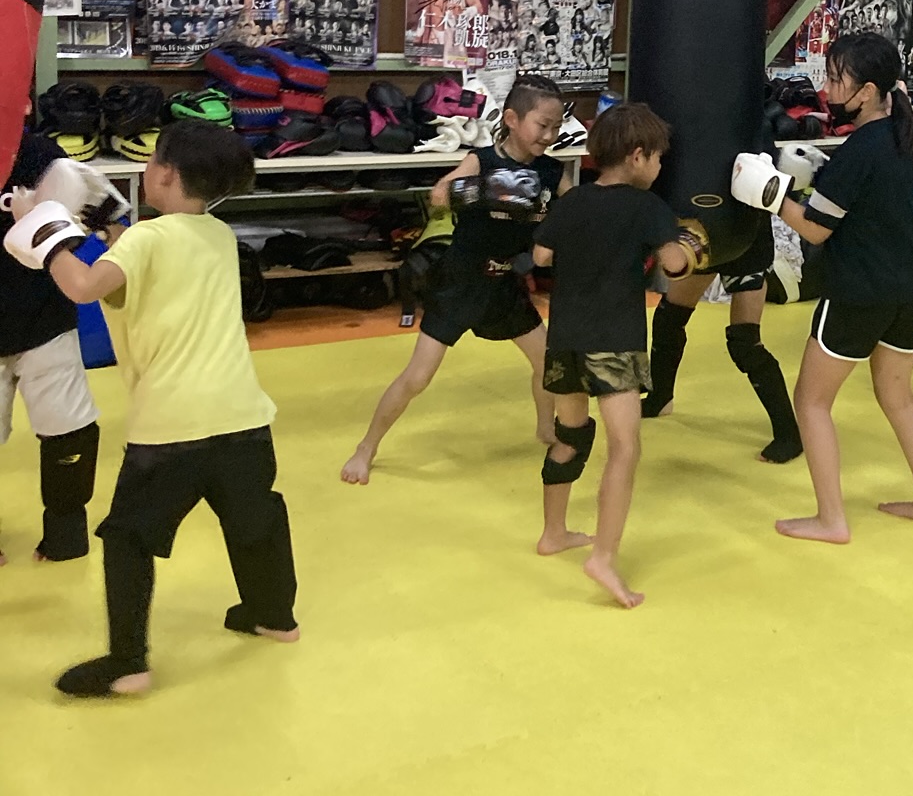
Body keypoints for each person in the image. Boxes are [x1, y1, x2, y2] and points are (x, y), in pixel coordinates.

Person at [5, 121, 299, 696]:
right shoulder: (216, 235)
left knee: (128, 538)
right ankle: (274, 616)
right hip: (243, 417)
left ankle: (128, 662)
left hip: (172, 426)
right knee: (255, 519)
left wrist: (41, 227)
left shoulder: (147, 241)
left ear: (163, 173)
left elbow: (85, 287)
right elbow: (139, 266)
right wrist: (107, 221)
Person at [738, 32, 913, 543]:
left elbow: (815, 230)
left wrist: (771, 195)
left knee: (811, 402)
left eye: (837, 80)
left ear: (868, 90)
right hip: (904, 288)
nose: (828, 89)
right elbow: (863, 202)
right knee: (899, 399)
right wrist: (818, 176)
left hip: (857, 290)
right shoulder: (901, 138)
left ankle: (831, 519)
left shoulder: (860, 149)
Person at [341, 80, 565, 486]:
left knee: (547, 363)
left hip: (505, 283)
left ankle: (546, 428)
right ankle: (366, 447)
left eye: (556, 127)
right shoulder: (482, 160)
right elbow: (440, 196)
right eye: (542, 125)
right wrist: (498, 190)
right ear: (512, 120)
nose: (549, 135)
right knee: (418, 377)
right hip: (459, 281)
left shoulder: (551, 171)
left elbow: (577, 212)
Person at [530, 102, 697, 609]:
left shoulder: (574, 199)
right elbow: (675, 266)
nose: (661, 167)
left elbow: (541, 256)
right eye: (659, 158)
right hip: (614, 341)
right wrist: (690, 244)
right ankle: (603, 557)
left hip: (565, 340)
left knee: (572, 435)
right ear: (639, 155)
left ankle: (553, 532)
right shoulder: (648, 207)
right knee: (625, 447)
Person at [0, 129, 102, 566]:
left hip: (44, 315)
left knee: (68, 430)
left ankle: (66, 532)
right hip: (38, 310)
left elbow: (91, 205)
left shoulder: (39, 153)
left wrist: (110, 224)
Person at [641, 188, 802, 462]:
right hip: (704, 231)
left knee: (744, 341)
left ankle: (789, 433)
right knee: (670, 316)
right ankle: (660, 397)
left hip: (746, 236)